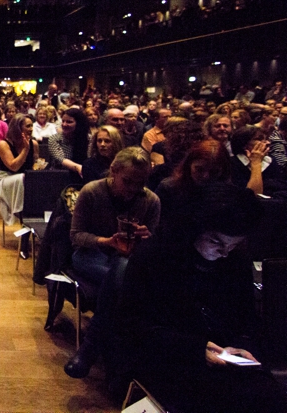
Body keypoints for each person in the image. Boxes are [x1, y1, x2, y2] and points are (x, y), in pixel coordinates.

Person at [113, 183, 287, 412]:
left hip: (223, 357)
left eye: (233, 245)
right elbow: (130, 326)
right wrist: (196, 349)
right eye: (216, 242)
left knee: (269, 397)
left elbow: (247, 319)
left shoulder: (234, 260)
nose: (225, 252)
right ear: (193, 231)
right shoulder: (155, 256)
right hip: (167, 357)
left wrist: (243, 346)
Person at [64, 147, 160, 379]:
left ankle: (90, 348)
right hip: (91, 254)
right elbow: (76, 237)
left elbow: (155, 249)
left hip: (128, 259)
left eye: (140, 183)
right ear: (113, 171)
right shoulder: (92, 192)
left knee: (120, 274)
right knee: (124, 278)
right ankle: (119, 361)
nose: (133, 189)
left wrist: (148, 237)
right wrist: (106, 241)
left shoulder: (150, 200)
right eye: (127, 181)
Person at [0, 115, 38, 258]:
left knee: (34, 182)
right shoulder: (4, 144)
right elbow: (13, 167)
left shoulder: (34, 144)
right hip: (6, 179)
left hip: (26, 181)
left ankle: (28, 233)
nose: (31, 129)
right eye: (27, 126)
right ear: (18, 127)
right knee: (24, 179)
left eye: (32, 125)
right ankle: (26, 236)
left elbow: (34, 166)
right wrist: (25, 150)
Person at [49, 108, 90, 182]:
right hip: (59, 176)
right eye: (63, 121)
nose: (64, 124)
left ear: (79, 123)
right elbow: (61, 159)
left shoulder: (88, 138)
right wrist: (78, 167)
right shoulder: (54, 139)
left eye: (69, 122)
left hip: (84, 175)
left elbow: (90, 158)